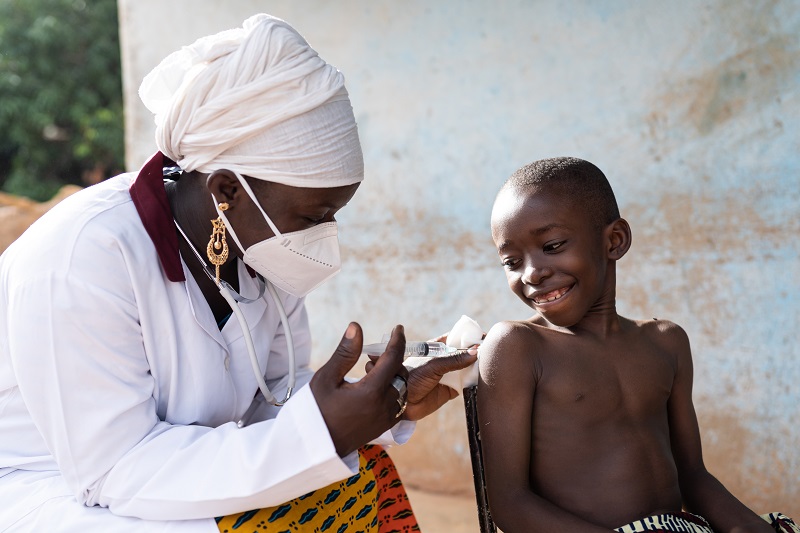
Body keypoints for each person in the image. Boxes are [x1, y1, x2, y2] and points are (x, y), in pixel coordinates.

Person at [0, 14, 476, 532]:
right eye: (314, 216)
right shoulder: (83, 260)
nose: (325, 234)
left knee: (362, 474)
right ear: (226, 191)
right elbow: (116, 469)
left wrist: (387, 399)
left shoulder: (254, 247)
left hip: (159, 472)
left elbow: (270, 399)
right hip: (51, 487)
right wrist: (320, 432)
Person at [478, 157, 798, 533]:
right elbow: (510, 505)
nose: (531, 273)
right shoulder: (519, 347)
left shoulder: (666, 342)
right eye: (512, 261)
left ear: (614, 241)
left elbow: (693, 476)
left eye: (552, 245)